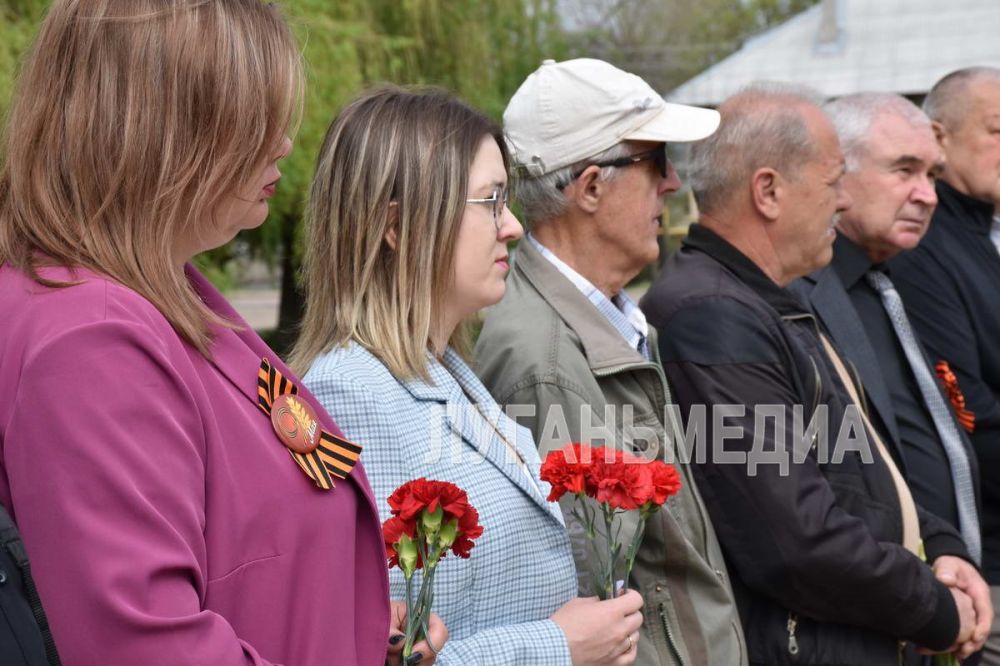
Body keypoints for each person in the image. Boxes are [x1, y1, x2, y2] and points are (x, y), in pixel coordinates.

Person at [0, 2, 440, 664]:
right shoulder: (88, 341)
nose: (284, 143)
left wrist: (348, 617)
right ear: (162, 128)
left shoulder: (157, 293)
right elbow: (149, 645)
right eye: (255, 119)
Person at [292, 86, 644, 666]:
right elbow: (362, 653)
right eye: (491, 202)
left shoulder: (446, 373)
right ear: (398, 227)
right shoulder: (348, 395)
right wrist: (558, 647)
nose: (512, 227)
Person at [640, 83, 982, 664]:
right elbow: (794, 539)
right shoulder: (714, 317)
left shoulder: (771, 298)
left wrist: (941, 544)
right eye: (831, 184)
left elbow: (859, 467)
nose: (842, 204)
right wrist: (936, 608)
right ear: (768, 191)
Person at [474, 57, 748, 665]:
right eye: (655, 162)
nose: (673, 183)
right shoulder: (543, 356)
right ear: (592, 186)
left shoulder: (604, 318)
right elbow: (594, 591)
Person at [889, 66, 1000, 665]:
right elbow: (968, 413)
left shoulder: (978, 237)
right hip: (977, 561)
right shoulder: (923, 247)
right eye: (998, 129)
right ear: (941, 135)